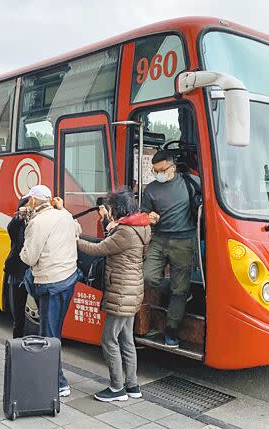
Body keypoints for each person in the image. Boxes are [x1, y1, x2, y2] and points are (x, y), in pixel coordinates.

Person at [77, 191, 151, 402]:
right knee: (126, 339)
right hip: (131, 289)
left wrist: (75, 239)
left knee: (109, 339)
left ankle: (117, 388)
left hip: (121, 292)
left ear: (117, 210)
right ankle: (132, 385)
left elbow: (98, 249)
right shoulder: (139, 227)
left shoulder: (125, 232)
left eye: (109, 209)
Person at [19, 185, 80, 397]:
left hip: (51, 284)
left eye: (29, 201)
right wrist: (62, 209)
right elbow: (77, 231)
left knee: (49, 334)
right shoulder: (65, 216)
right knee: (55, 330)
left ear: (35, 201)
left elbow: (29, 257)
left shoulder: (37, 223)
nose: (27, 204)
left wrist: (23, 248)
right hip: (69, 279)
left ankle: (58, 381)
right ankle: (52, 374)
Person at [142, 150, 200, 348]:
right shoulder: (150, 190)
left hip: (184, 240)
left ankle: (172, 329)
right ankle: (174, 289)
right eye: (154, 171)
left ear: (172, 167)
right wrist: (150, 217)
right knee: (148, 277)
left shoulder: (190, 182)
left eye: (161, 170)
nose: (158, 174)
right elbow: (144, 214)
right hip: (159, 239)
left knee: (179, 290)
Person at [4, 197, 31, 338]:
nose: (29, 210)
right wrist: (19, 217)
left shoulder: (40, 223)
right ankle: (18, 345)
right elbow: (11, 229)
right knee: (18, 316)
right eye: (26, 207)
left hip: (36, 274)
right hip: (18, 273)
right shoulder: (18, 224)